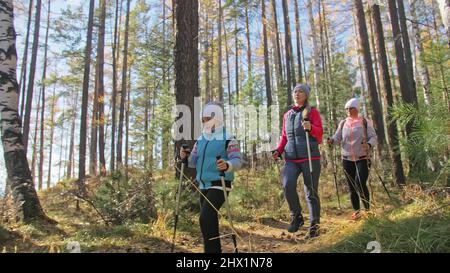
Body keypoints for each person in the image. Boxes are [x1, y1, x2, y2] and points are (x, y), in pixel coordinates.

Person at [179, 102, 242, 253]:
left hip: (220, 183)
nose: (204, 122)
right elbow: (193, 161)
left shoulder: (228, 138)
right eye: (203, 119)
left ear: (217, 118)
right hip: (203, 185)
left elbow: (237, 161)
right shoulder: (201, 139)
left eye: (207, 119)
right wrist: (185, 157)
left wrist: (227, 165)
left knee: (205, 218)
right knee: (210, 221)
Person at [272, 84, 323, 238]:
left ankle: (314, 225)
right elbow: (284, 137)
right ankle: (297, 216)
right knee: (288, 185)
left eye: (300, 91)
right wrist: (278, 150)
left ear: (306, 95)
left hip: (310, 157)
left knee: (311, 192)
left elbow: (320, 134)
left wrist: (311, 127)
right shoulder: (287, 115)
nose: (297, 93)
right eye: (295, 91)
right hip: (291, 159)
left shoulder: (312, 112)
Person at [327, 98, 377, 220]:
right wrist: (332, 140)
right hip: (347, 159)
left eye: (351, 108)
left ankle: (367, 210)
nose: (348, 111)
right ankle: (357, 212)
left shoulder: (365, 121)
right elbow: (337, 137)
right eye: (346, 109)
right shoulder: (343, 123)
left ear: (357, 109)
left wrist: (369, 144)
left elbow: (373, 137)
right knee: (352, 187)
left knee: (360, 182)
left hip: (362, 158)